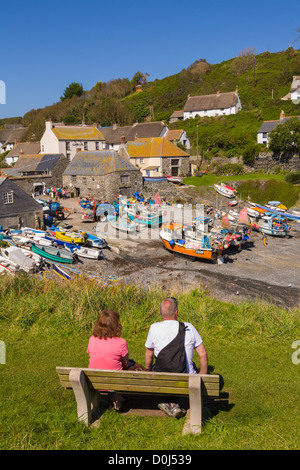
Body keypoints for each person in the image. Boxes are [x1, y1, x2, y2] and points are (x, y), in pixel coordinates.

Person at [144, 297, 208, 418]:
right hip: (186, 379)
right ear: (176, 312)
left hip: (162, 379)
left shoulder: (154, 327)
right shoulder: (188, 327)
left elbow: (149, 353)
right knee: (192, 365)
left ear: (160, 312)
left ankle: (169, 403)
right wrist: (202, 377)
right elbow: (202, 354)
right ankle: (173, 403)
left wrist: (148, 369)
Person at [87, 309, 145, 412]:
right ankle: (117, 398)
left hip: (94, 378)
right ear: (116, 325)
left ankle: (110, 398)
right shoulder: (121, 342)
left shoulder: (92, 339)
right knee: (130, 365)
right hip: (114, 379)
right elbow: (125, 364)